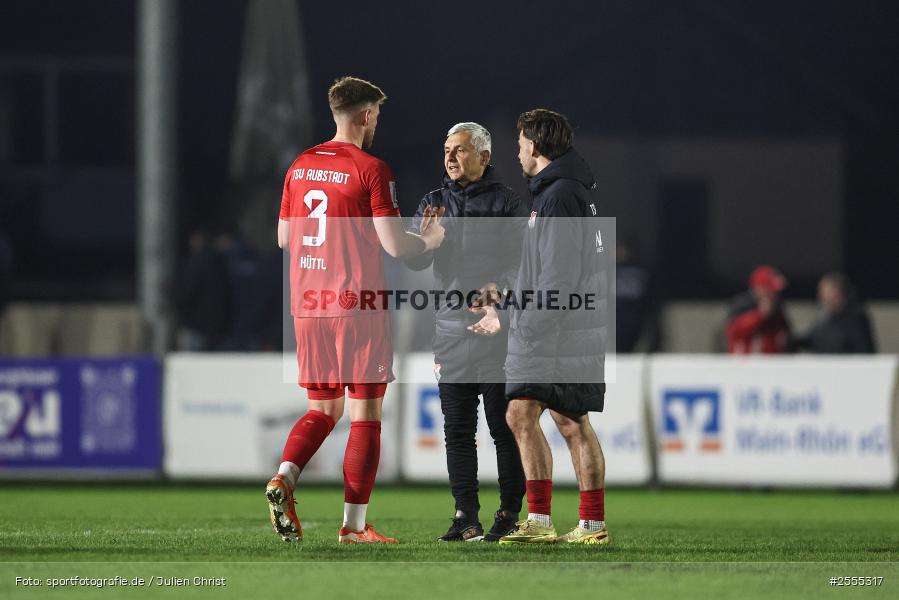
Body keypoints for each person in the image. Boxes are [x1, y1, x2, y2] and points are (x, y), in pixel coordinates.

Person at [266, 76, 445, 544]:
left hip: (308, 306)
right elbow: (395, 245)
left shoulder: (300, 165)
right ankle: (353, 526)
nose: (376, 124)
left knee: (324, 408)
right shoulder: (371, 168)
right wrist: (428, 240)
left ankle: (284, 476)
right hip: (357, 305)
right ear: (366, 115)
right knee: (365, 413)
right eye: (377, 116)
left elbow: (284, 239)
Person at [469, 109, 609, 545]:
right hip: (568, 325)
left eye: (520, 144)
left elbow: (558, 279)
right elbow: (548, 269)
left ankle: (555, 521)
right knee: (564, 420)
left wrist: (515, 319)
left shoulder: (559, 196)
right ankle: (580, 524)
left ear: (534, 145)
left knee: (532, 415)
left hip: (556, 330)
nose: (517, 153)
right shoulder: (564, 190)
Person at [405, 122, 526, 542]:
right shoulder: (433, 202)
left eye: (459, 149)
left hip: (497, 330)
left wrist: (500, 289)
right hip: (451, 331)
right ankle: (465, 518)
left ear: (484, 157)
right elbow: (415, 262)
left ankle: (509, 515)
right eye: (446, 150)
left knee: (503, 428)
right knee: (457, 431)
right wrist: (423, 244)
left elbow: (523, 260)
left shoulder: (507, 201)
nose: (450, 157)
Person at [791, 272, 876, 353]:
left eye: (824, 292)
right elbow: (811, 339)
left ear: (837, 293)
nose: (820, 296)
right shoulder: (824, 319)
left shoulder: (856, 319)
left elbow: (863, 351)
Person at [725, 265, 791, 354]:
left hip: (773, 361)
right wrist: (760, 315)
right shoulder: (742, 305)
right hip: (745, 361)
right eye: (771, 290)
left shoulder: (777, 309)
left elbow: (784, 338)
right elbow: (736, 332)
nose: (774, 294)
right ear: (759, 289)